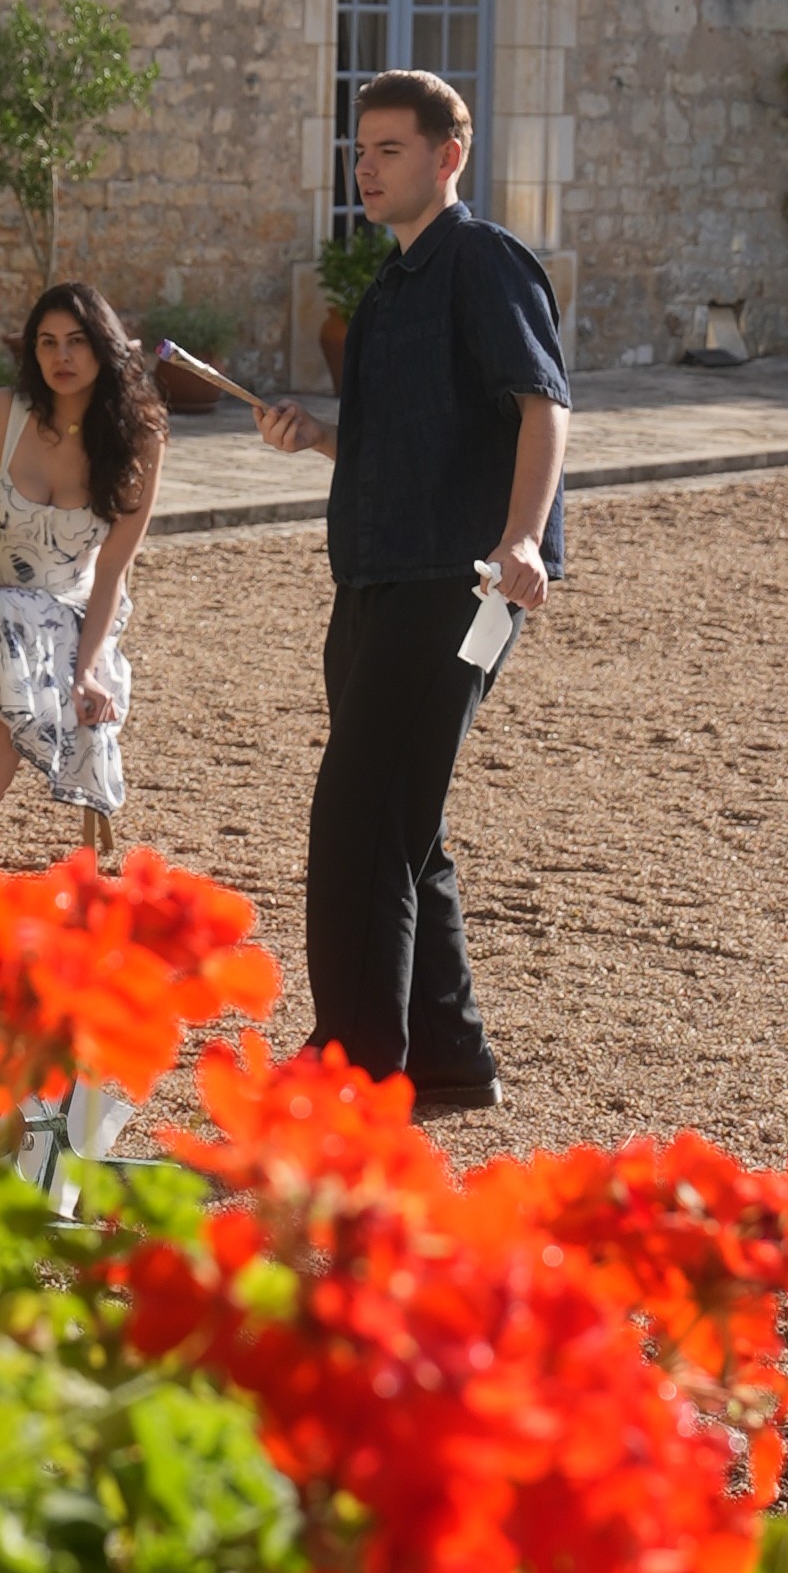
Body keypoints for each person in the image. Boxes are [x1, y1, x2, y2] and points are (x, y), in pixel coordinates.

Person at [258, 70, 568, 1110]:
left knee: (358, 818)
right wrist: (321, 437)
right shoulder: (389, 288)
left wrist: (523, 539)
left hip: (462, 582)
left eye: (391, 149)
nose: (367, 168)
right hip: (375, 579)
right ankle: (448, 1055)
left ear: (450, 156)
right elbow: (407, 439)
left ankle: (352, 1067)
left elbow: (543, 406)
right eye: (361, 151)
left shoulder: (482, 260)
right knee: (404, 821)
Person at [0, 282, 166, 868]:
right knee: (8, 640)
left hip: (75, 619)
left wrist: (85, 673)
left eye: (77, 342)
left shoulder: (141, 438)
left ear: (105, 349)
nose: (62, 357)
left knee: (15, 646)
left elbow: (111, 573)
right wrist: (0, 612)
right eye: (47, 343)